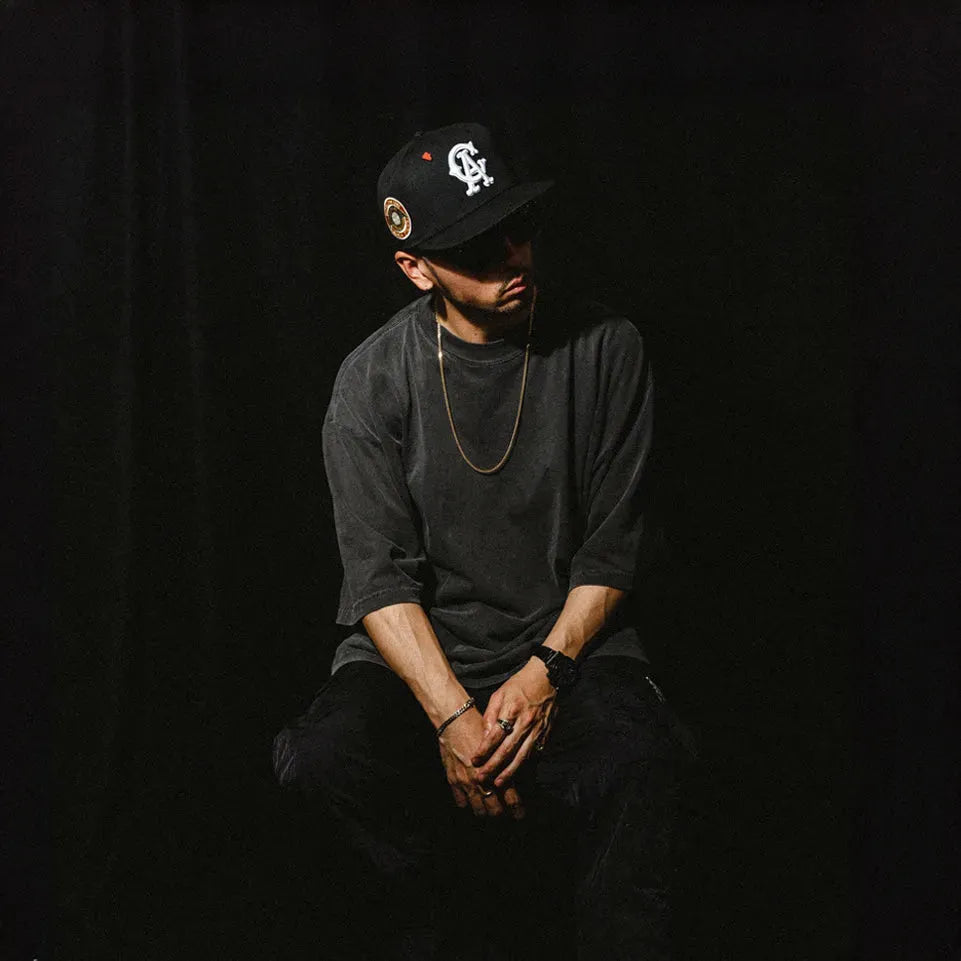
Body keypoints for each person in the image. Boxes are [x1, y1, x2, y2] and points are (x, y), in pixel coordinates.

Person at [272, 122, 694, 961]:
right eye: (474, 247)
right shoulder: (371, 379)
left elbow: (613, 549)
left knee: (642, 756)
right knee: (318, 759)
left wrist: (542, 675)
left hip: (568, 647)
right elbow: (379, 581)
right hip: (422, 664)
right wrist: (452, 716)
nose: (512, 259)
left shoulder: (607, 349)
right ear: (415, 268)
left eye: (516, 228)